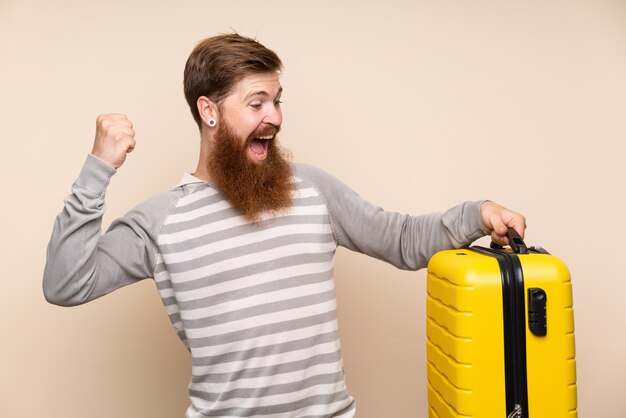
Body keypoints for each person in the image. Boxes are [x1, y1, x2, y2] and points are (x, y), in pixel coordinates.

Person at [43, 33, 526, 418]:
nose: (273, 117)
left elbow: (400, 239)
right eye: (256, 104)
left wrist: (476, 213)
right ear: (208, 111)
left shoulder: (311, 189)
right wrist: (97, 168)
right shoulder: (161, 222)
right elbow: (66, 283)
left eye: (277, 101)